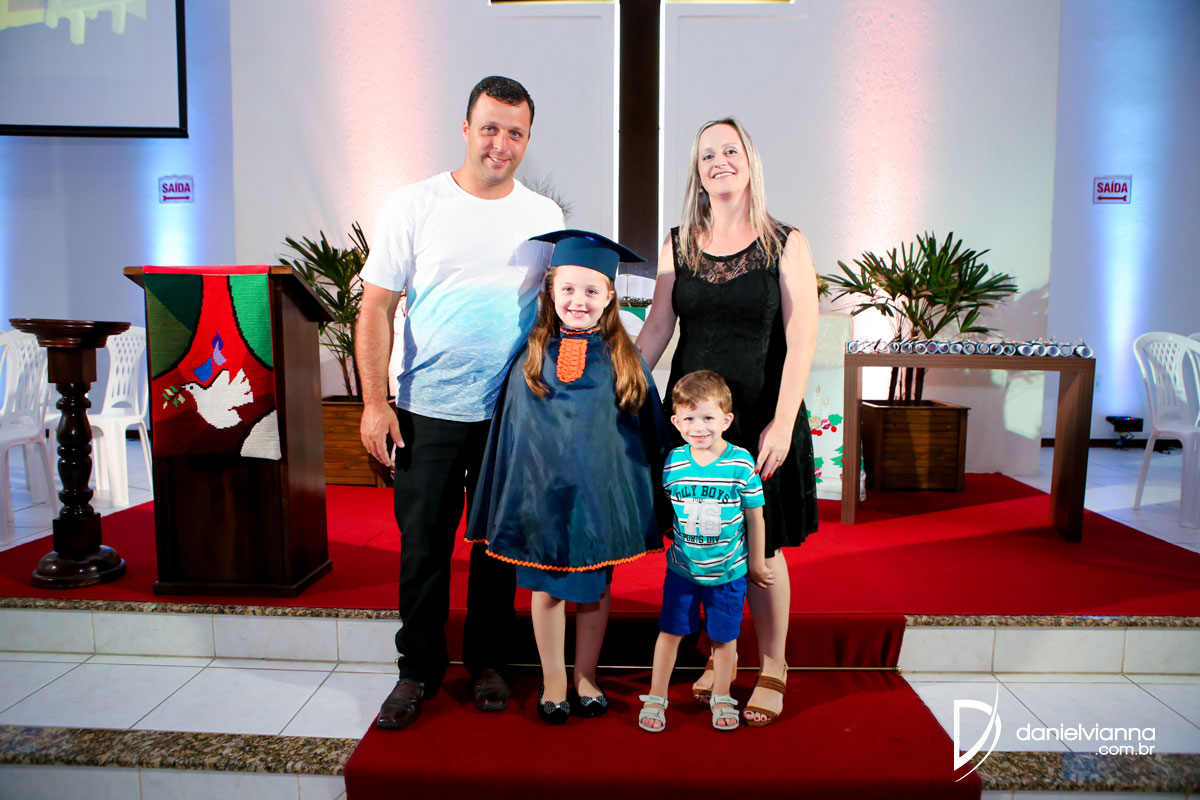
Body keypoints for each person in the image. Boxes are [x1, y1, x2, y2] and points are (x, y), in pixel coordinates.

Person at [357, 76, 564, 730]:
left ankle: (488, 662)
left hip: (509, 415)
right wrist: (374, 403)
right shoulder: (415, 203)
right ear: (467, 127)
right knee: (423, 547)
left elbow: (557, 314)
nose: (501, 143)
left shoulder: (544, 217)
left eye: (515, 132)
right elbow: (375, 308)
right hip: (426, 410)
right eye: (490, 127)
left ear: (527, 139)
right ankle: (417, 669)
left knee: (497, 549)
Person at [636, 118, 819, 727]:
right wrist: (616, 385)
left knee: (766, 546)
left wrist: (783, 422)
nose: (719, 161)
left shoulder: (785, 241)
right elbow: (658, 327)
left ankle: (773, 665)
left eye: (730, 150)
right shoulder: (679, 243)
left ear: (750, 160)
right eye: (707, 154)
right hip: (696, 424)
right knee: (702, 541)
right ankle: (722, 657)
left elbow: (802, 338)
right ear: (697, 170)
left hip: (762, 416)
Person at [466, 229, 671, 725]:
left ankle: (586, 676)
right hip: (544, 503)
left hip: (599, 502)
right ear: (551, 292)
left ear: (610, 296)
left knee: (595, 590)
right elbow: (514, 437)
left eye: (591, 290)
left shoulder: (627, 361)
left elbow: (649, 436)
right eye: (568, 289)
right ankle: (554, 679)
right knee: (547, 589)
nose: (579, 300)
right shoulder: (529, 358)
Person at [638, 370, 773, 733]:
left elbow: (755, 517)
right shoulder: (673, 462)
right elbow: (666, 511)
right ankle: (657, 695)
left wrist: (756, 564)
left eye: (708, 418)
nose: (698, 427)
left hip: (728, 572)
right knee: (670, 632)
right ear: (676, 422)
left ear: (726, 420)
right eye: (689, 418)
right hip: (682, 571)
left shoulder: (740, 463)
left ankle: (722, 695)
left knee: (724, 638)